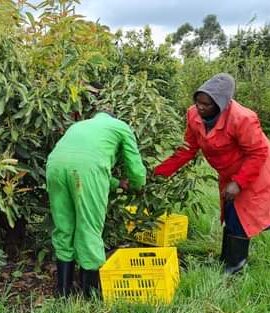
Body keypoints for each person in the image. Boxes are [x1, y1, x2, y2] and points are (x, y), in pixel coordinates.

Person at [154, 73, 270, 274]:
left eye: (206, 105)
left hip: (255, 171)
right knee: (233, 213)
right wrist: (159, 173)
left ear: (221, 104)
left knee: (243, 216)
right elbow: (187, 149)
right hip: (229, 173)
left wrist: (239, 182)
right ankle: (226, 260)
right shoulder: (193, 115)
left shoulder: (242, 118)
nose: (200, 108)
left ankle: (235, 267)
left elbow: (258, 152)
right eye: (198, 102)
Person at [47, 107, 146, 297]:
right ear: (113, 118)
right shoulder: (120, 126)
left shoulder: (80, 125)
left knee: (64, 226)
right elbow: (135, 168)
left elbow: (81, 159)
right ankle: (89, 294)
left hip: (54, 167)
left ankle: (63, 292)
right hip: (86, 171)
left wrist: (117, 183)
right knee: (89, 228)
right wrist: (138, 184)